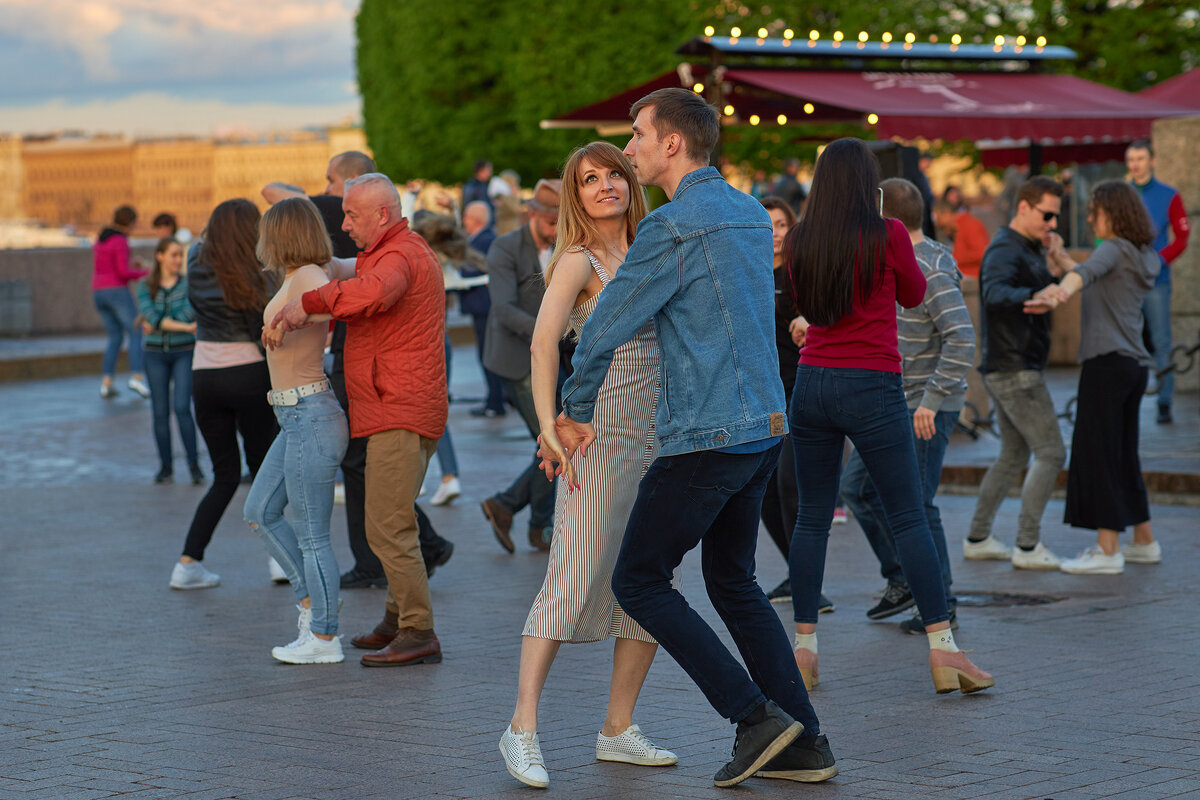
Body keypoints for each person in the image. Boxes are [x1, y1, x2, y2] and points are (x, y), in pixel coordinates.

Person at [553, 88, 836, 788]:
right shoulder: (746, 212)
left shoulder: (671, 226)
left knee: (638, 580)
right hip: (765, 426)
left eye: (639, 135)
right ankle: (807, 744)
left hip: (706, 434)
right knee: (733, 581)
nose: (630, 148)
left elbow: (605, 325)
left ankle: (754, 718)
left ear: (672, 144)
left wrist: (574, 408)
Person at [785, 138, 993, 698]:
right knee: (907, 516)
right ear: (867, 186)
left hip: (813, 383)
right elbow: (913, 292)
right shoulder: (890, 234)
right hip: (873, 384)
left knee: (811, 517)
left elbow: (806, 301)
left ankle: (804, 650)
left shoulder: (802, 238)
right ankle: (945, 652)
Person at [498, 142, 676, 789]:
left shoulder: (656, 247)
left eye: (613, 175)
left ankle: (617, 729)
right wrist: (548, 427)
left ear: (632, 181)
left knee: (650, 584)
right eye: (590, 179)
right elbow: (544, 342)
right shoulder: (578, 259)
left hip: (660, 438)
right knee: (571, 579)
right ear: (575, 196)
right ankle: (521, 729)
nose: (605, 186)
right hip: (598, 439)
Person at [269, 173, 448, 668]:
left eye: (351, 215)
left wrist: (303, 304)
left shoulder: (397, 257)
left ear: (382, 215)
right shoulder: (392, 249)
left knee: (388, 527)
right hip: (399, 405)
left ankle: (418, 631)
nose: (344, 224)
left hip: (400, 408)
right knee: (394, 521)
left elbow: (369, 293)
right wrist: (310, 255)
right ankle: (397, 618)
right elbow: (348, 268)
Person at [839, 178, 975, 633]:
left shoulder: (930, 267)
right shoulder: (894, 256)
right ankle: (904, 578)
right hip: (894, 401)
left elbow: (961, 337)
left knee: (918, 503)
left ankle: (942, 602)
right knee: (857, 488)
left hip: (924, 408)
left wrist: (932, 403)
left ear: (883, 214)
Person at [1027, 181, 1162, 575]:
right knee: (1123, 455)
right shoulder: (1139, 253)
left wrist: (1057, 292)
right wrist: (1064, 261)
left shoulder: (1114, 249)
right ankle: (1143, 540)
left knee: (1100, 455)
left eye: (1094, 211)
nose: (1089, 218)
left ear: (1113, 213)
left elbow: (1084, 277)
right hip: (1133, 367)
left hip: (1106, 366)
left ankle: (1107, 549)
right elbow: (1091, 274)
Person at [244, 198, 350, 664]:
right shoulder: (295, 276)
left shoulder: (308, 275)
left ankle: (325, 637)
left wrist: (294, 317)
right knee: (259, 511)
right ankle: (310, 605)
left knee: (313, 535)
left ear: (280, 234)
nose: (261, 240)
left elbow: (331, 306)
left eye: (268, 231)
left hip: (310, 413)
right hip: (294, 418)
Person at [170, 199, 279, 590]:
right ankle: (278, 561)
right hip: (249, 373)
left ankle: (188, 563)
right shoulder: (255, 268)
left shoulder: (197, 262)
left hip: (205, 375)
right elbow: (261, 322)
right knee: (265, 471)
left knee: (224, 476)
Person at [966, 176, 1067, 569]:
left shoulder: (1025, 246)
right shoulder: (1005, 248)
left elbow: (1030, 290)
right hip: (1015, 368)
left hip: (1011, 365)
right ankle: (1027, 546)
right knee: (1051, 452)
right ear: (1024, 207)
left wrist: (1052, 275)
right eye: (1048, 214)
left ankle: (978, 537)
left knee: (1013, 454)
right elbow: (993, 294)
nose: (1053, 224)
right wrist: (1032, 295)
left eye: (1056, 216)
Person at [756, 196, 835, 614]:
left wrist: (812, 324)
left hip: (798, 390)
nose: (775, 234)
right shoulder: (747, 273)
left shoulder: (802, 272)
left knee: (789, 484)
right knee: (765, 489)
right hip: (759, 395)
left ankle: (808, 582)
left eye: (782, 224)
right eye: (767, 225)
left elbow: (829, 314)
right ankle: (797, 571)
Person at [480, 179, 562, 554]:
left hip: (553, 357)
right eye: (551, 223)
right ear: (532, 214)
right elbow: (503, 308)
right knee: (551, 439)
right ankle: (539, 526)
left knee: (552, 439)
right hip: (516, 359)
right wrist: (551, 330)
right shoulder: (504, 247)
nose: (557, 230)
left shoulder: (567, 244)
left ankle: (505, 505)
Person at [1126, 139, 1190, 424]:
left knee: (1161, 341)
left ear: (1152, 160)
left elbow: (1182, 237)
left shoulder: (1169, 195)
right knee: (1125, 341)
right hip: (1124, 281)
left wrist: (1159, 260)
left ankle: (1164, 402)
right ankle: (1126, 401)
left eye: (1140, 158)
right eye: (1131, 159)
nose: (1135, 164)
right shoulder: (1121, 194)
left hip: (1156, 281)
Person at [136, 237, 202, 485]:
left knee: (183, 408)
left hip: (184, 352)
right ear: (160, 256)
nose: (178, 260)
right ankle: (166, 467)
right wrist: (184, 327)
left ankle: (194, 466)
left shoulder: (187, 285)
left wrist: (159, 323)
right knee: (159, 412)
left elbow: (185, 312)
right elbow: (150, 317)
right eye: (174, 255)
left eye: (180, 256)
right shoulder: (145, 285)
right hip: (154, 355)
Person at [92, 204, 150, 399]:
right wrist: (146, 273)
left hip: (98, 292)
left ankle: (106, 383)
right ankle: (136, 377)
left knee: (115, 337)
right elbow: (122, 272)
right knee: (136, 330)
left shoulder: (101, 239)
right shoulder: (120, 240)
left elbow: (108, 266)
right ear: (130, 223)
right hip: (116, 290)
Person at [461, 200, 507, 418]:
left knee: (487, 354)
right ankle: (495, 398)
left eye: (467, 218)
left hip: (484, 305)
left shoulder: (484, 241)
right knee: (487, 353)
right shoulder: (485, 239)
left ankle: (495, 401)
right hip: (482, 305)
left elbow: (474, 270)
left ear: (476, 220)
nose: (464, 222)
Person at [933, 198, 989, 280]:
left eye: (939, 218)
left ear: (947, 213)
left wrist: (955, 258)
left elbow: (981, 253)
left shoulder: (970, 225)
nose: (938, 224)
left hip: (972, 277)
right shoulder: (958, 228)